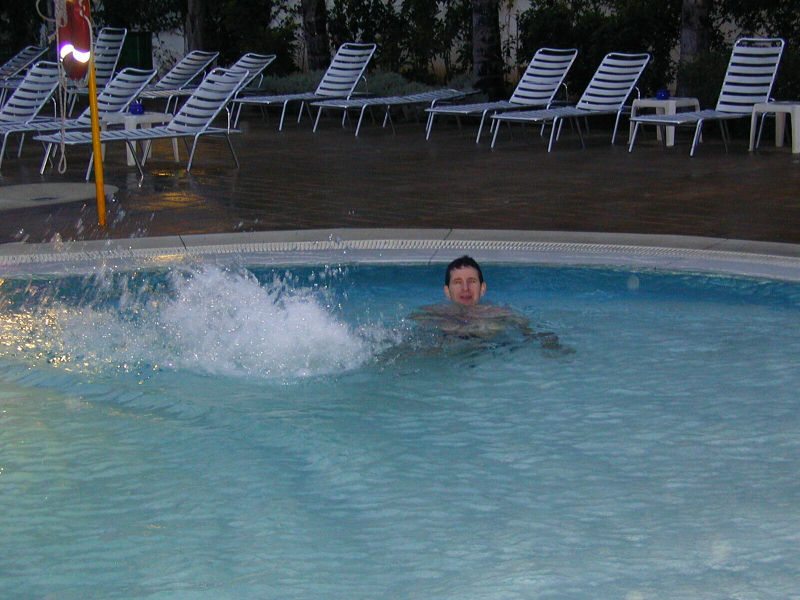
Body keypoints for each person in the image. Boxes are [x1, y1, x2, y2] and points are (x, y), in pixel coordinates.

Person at [409, 256, 566, 350]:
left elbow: (535, 334)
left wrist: (551, 344)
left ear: (482, 288)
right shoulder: (430, 315)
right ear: (447, 291)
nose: (465, 288)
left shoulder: (500, 314)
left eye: (472, 281)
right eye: (458, 282)